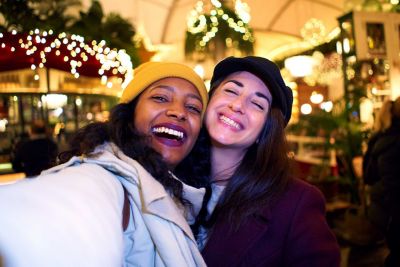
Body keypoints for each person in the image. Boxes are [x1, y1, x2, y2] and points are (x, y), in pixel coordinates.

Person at [0, 61, 208, 267]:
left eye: (193, 107)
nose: (179, 112)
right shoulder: (105, 176)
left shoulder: (186, 194)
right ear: (129, 114)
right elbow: (65, 208)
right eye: (161, 98)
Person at [178, 56, 341, 266]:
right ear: (208, 102)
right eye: (231, 91)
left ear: (264, 131)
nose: (237, 105)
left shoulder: (296, 203)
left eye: (257, 103)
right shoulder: (170, 179)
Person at [363, 97, 400, 267]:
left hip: (384, 211)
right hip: (392, 212)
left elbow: (370, 176)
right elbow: (390, 184)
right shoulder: (394, 142)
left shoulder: (383, 137)